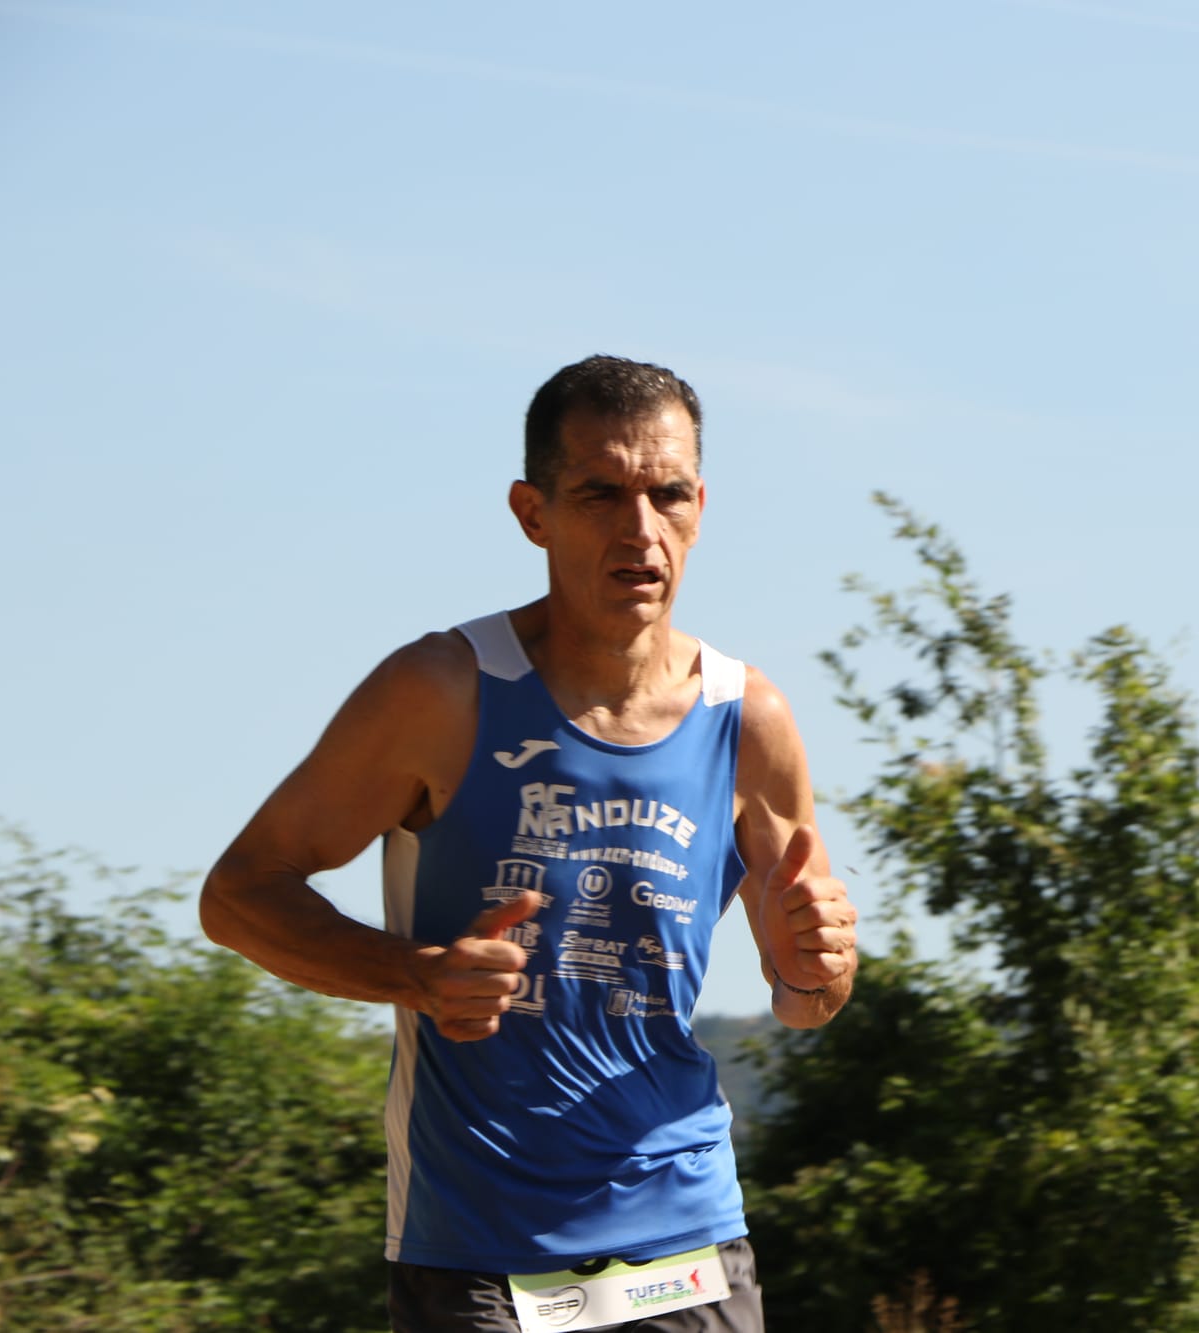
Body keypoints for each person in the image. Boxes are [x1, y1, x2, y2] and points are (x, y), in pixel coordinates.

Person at [200, 355, 857, 1332]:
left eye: (667, 494)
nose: (641, 529)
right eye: (601, 493)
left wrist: (820, 966)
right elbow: (240, 894)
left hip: (686, 1241)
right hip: (476, 1248)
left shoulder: (745, 718)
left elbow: (801, 999)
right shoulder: (443, 691)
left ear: (700, 506)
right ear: (531, 512)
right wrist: (417, 972)